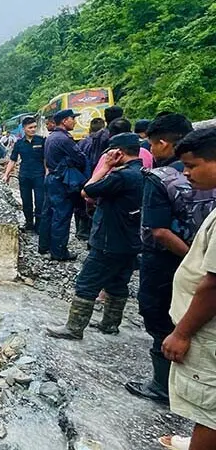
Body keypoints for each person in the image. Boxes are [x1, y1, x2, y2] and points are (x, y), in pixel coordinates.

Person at [126, 114, 216, 405]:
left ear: (163, 143)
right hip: (200, 259)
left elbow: (159, 231)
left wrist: (193, 261)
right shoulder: (205, 176)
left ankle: (163, 385)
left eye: (152, 145)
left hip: (168, 262)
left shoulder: (160, 178)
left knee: (159, 316)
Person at [47, 133, 145, 340]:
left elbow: (88, 190)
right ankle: (110, 324)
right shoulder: (143, 173)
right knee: (118, 283)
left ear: (118, 152)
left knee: (86, 282)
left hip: (108, 240)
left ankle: (74, 328)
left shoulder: (121, 177)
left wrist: (104, 167)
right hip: (130, 240)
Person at [160, 127, 216, 450]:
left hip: (206, 332)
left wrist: (182, 332)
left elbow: (214, 284)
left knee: (210, 407)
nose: (186, 173)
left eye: (192, 166)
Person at [38, 109, 87, 261]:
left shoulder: (51, 137)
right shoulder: (65, 139)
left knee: (48, 213)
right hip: (61, 181)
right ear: (65, 121)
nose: (74, 121)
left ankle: (44, 245)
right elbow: (80, 158)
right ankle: (59, 252)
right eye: (72, 118)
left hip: (51, 178)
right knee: (62, 215)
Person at [3, 116, 45, 232]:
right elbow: (13, 160)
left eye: (34, 127)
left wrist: (47, 173)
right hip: (24, 176)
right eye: (30, 127)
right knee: (26, 201)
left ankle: (39, 225)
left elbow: (46, 159)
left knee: (40, 201)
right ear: (24, 128)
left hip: (39, 176)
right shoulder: (19, 144)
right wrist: (6, 174)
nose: (33, 129)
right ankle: (29, 223)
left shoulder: (41, 141)